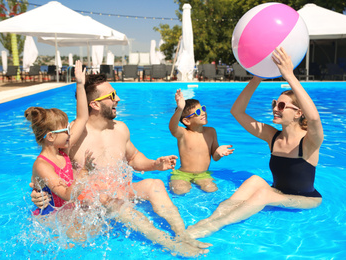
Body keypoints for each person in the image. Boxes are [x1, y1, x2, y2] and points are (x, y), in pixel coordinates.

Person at [30, 73, 211, 256]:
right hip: (94, 200)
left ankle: (182, 235)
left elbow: (133, 158)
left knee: (154, 184)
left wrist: (155, 164)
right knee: (111, 201)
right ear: (94, 104)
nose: (118, 98)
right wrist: (38, 192)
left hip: (119, 190)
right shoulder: (73, 135)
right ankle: (168, 243)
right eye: (112, 95)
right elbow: (49, 163)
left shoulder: (120, 128)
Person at [187, 47, 323, 239]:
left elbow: (315, 118)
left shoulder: (309, 141)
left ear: (299, 113)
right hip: (278, 192)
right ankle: (210, 219)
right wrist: (258, 77)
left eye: (282, 106)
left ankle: (215, 226)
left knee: (263, 195)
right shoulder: (273, 136)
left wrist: (289, 76)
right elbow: (237, 112)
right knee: (254, 181)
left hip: (306, 199)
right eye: (275, 103)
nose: (276, 108)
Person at [26, 60, 89, 216]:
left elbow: (82, 118)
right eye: (66, 129)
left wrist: (80, 84)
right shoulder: (42, 165)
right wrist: (85, 172)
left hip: (66, 212)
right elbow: (67, 195)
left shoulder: (62, 151)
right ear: (51, 137)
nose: (70, 132)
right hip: (50, 218)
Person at [168, 89, 234, 194]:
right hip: (183, 174)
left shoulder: (211, 132)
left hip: (203, 174)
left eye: (203, 109)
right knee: (179, 191)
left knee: (211, 189)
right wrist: (180, 109)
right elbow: (172, 127)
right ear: (186, 121)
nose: (203, 113)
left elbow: (215, 158)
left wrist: (218, 152)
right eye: (198, 112)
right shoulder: (183, 133)